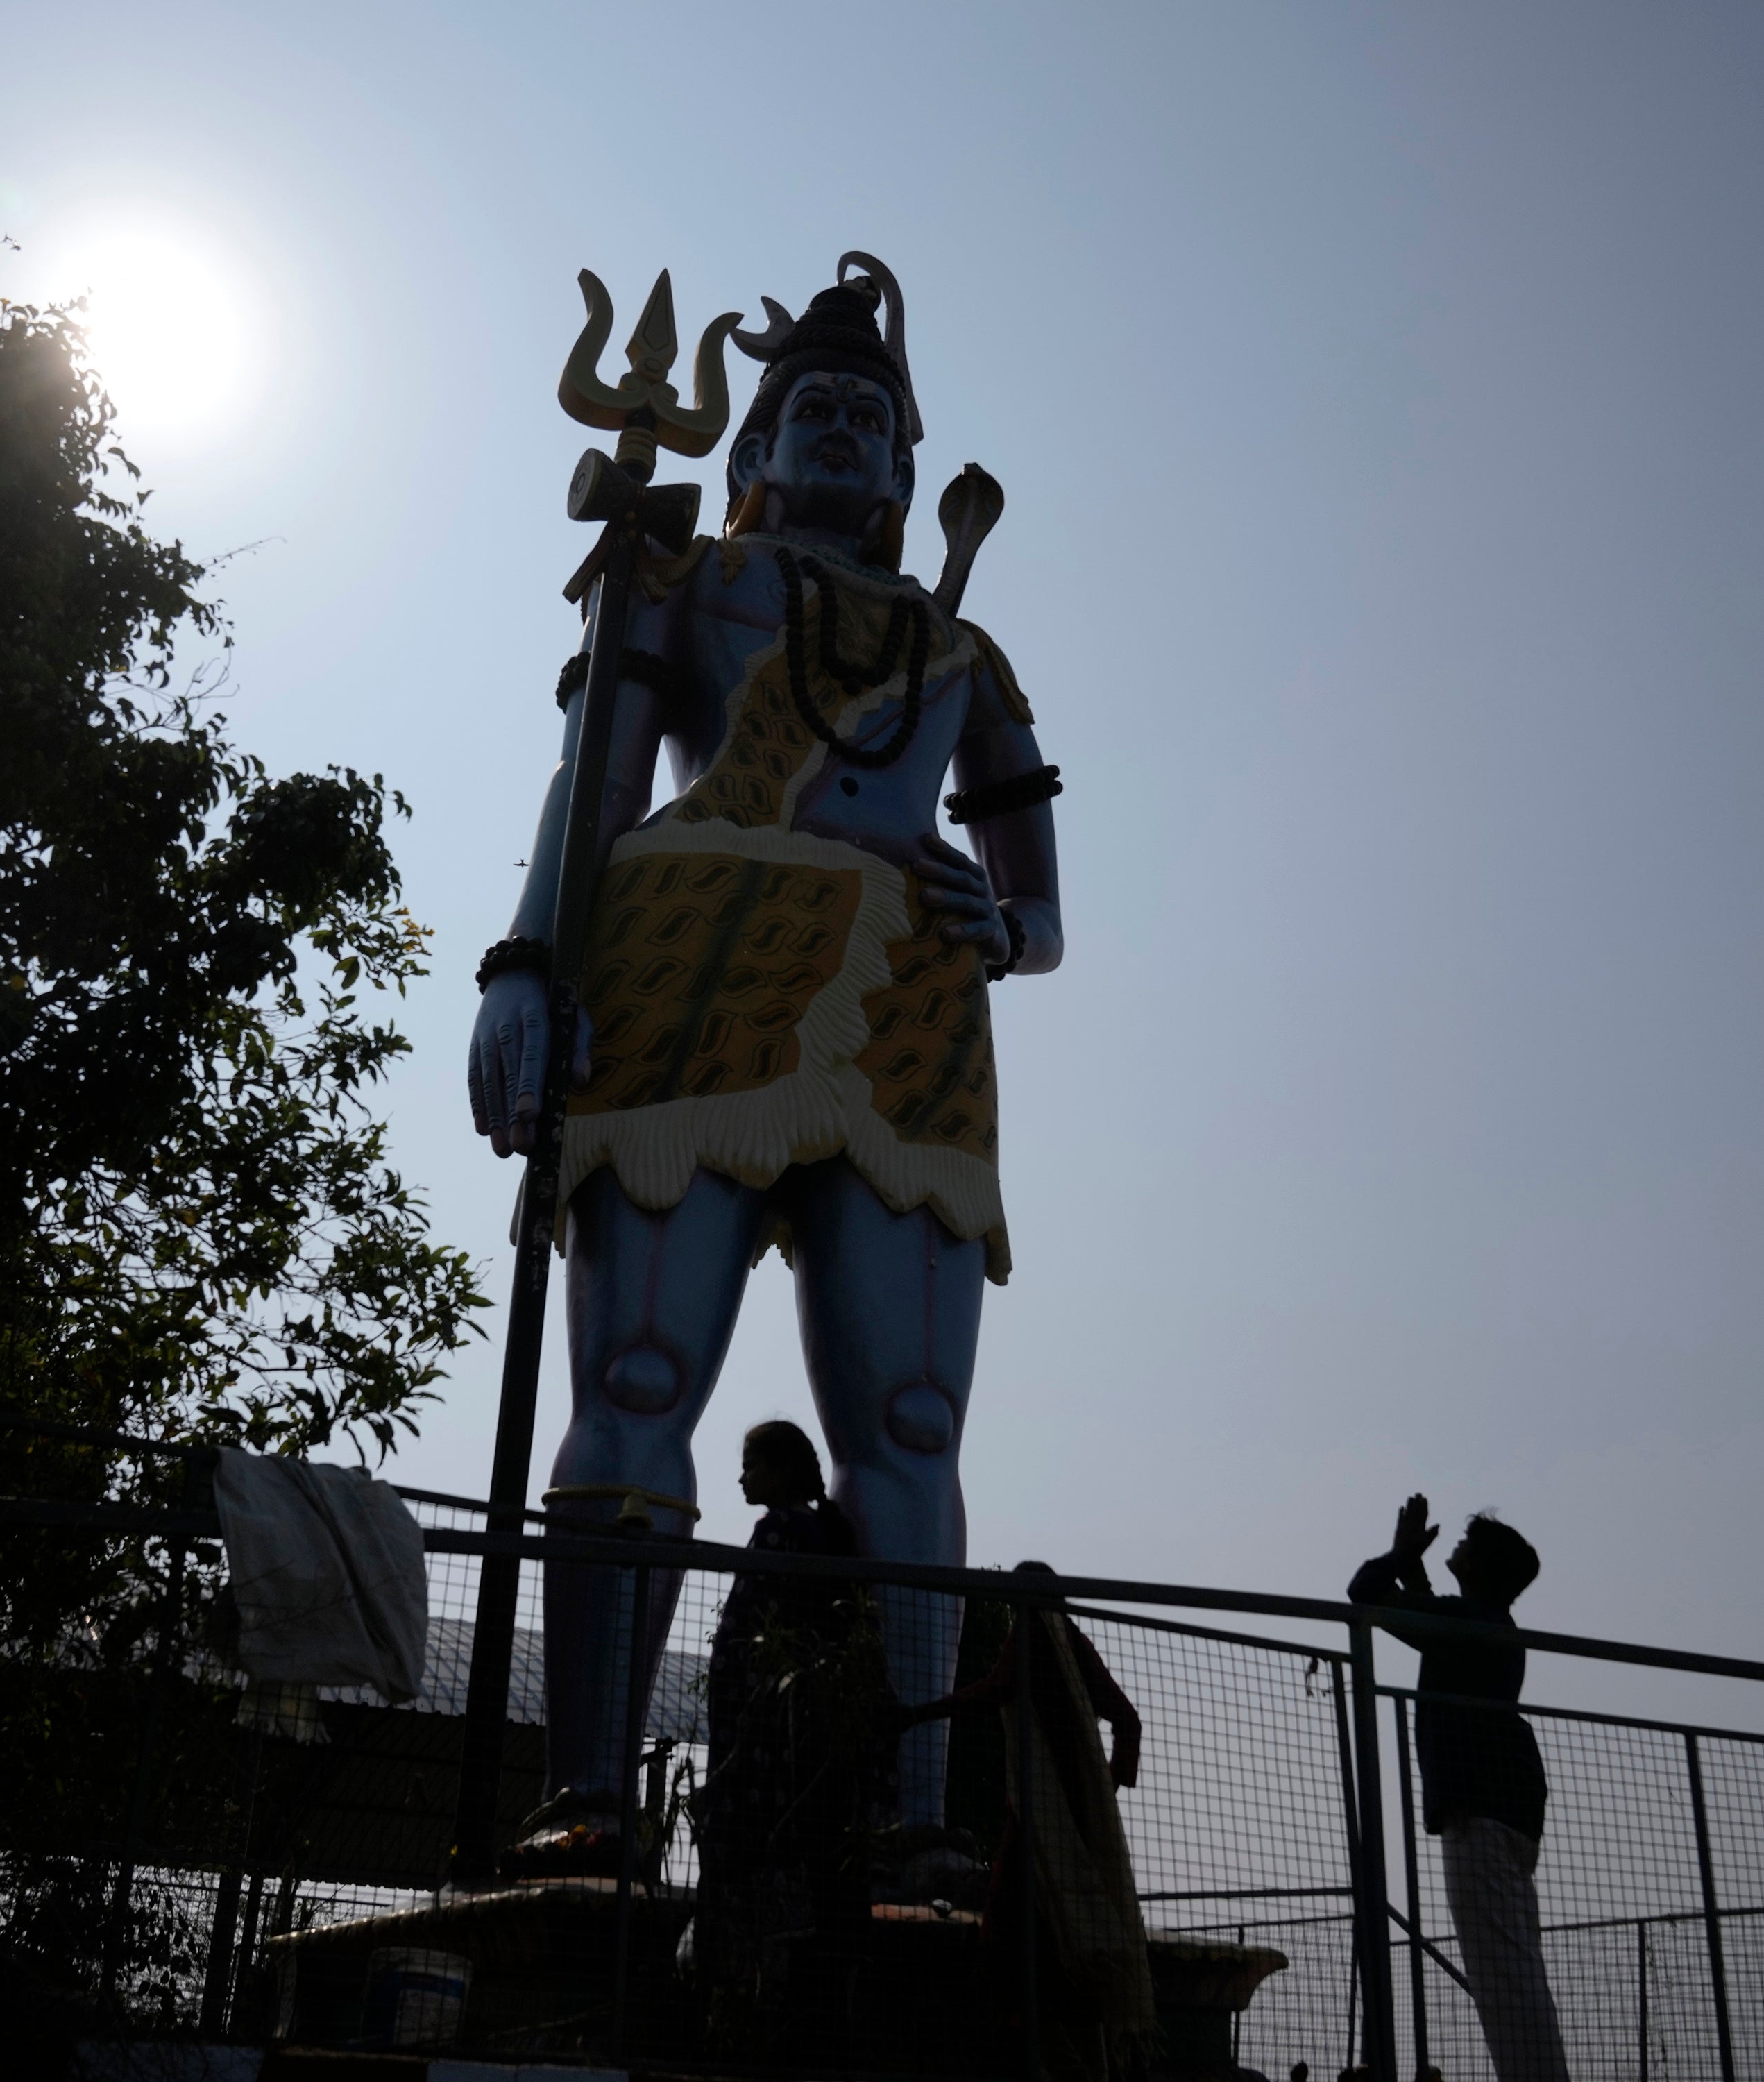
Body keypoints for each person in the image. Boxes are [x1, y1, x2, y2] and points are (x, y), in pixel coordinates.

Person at [468, 255, 1065, 1868]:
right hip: (691, 961)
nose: (848, 440)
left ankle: (919, 1817)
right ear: (749, 451)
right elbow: (589, 776)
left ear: (901, 469)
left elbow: (1040, 906)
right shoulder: (673, 580)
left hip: (909, 1006)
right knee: (641, 1379)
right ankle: (587, 1792)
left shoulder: (961, 651)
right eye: (814, 411)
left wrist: (1003, 932)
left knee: (912, 1418)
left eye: (874, 424)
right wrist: (527, 964)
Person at [904, 1563, 1152, 2082]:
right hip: (1068, 1818)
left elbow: (992, 1690)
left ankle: (1037, 2052)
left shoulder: (1036, 1634)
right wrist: (1104, 1790)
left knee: (1012, 1940)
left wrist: (915, 1715)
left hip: (1045, 1819)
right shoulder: (1066, 1640)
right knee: (1059, 1939)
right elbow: (1126, 1719)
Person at [1350, 1496, 1570, 2082]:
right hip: (1506, 1809)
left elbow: (1364, 1591)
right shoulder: (1484, 1623)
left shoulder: (1471, 1623)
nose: (1461, 1544)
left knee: (1504, 1977)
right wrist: (1413, 1565)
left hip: (1482, 1813)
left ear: (1479, 1568)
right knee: (1515, 1968)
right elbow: (1428, 1615)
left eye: (1469, 1544)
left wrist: (1398, 1554)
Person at [690, 1421, 888, 2040]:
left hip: (766, 1745)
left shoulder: (778, 1531)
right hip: (814, 1744)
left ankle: (737, 2009)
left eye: (751, 1464)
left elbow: (745, 1639)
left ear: (778, 1469)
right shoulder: (830, 1533)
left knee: (746, 1861)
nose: (742, 1478)